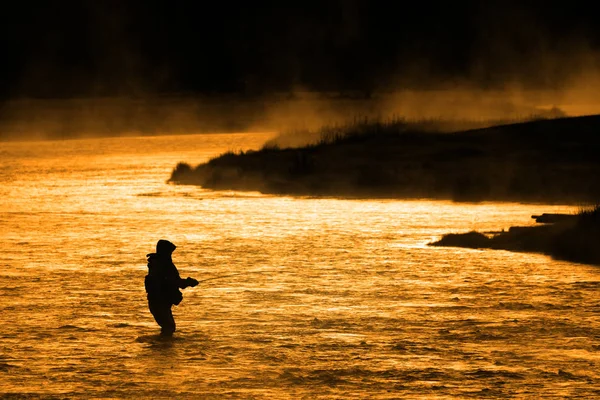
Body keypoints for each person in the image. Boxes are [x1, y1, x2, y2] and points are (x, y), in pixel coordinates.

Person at [145, 239, 199, 336]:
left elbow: (173, 282)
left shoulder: (160, 264)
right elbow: (173, 282)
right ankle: (162, 348)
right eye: (169, 252)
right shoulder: (162, 266)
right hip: (159, 304)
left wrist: (187, 282)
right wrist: (188, 282)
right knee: (169, 327)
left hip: (160, 303)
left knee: (168, 328)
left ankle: (160, 347)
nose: (170, 254)